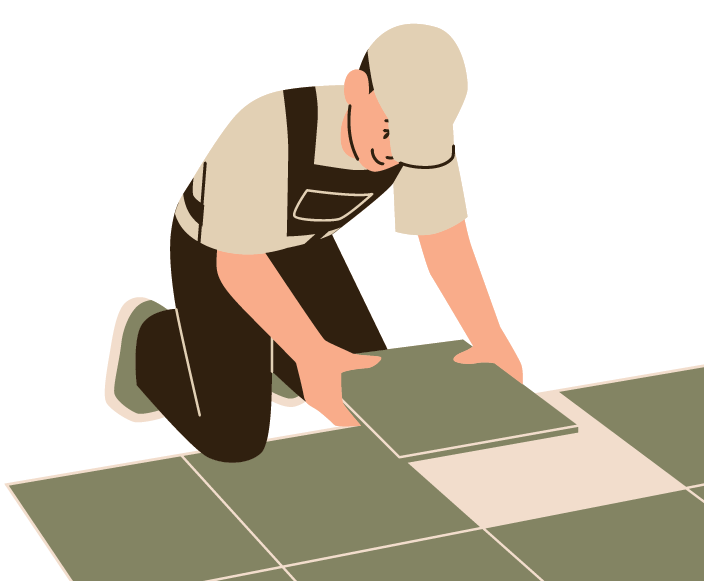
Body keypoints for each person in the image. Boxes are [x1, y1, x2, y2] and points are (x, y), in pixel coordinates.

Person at [103, 23, 522, 463]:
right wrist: (310, 353)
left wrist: (490, 338)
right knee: (234, 440)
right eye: (386, 130)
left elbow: (444, 242)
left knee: (366, 391)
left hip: (303, 245)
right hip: (214, 249)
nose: (393, 153)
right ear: (357, 88)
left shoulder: (424, 138)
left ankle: (266, 349)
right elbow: (239, 265)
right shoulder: (268, 128)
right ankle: (152, 341)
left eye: (411, 142)